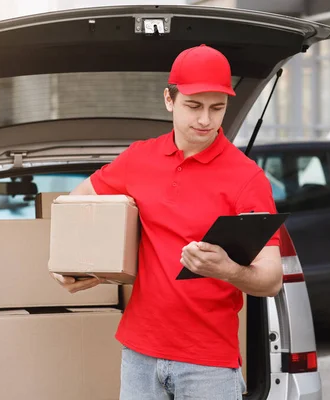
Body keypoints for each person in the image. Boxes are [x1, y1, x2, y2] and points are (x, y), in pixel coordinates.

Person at [52, 44, 283, 400]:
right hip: (139, 354)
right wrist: (73, 266)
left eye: (217, 108)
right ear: (169, 99)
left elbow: (270, 280)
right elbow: (79, 203)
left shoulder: (247, 179)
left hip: (209, 363)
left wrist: (227, 270)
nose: (205, 119)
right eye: (194, 106)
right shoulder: (139, 159)